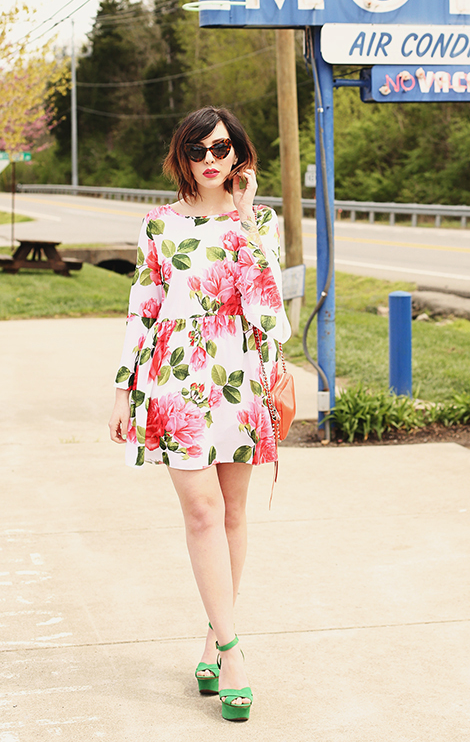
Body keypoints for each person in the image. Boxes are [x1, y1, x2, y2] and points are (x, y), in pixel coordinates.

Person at [108, 106, 290, 722]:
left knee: (235, 512)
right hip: (174, 378)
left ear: (239, 156)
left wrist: (243, 218)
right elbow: (144, 309)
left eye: (222, 148)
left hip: (238, 377)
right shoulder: (159, 225)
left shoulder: (259, 222)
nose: (211, 160)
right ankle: (234, 652)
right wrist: (122, 389)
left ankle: (214, 635)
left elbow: (271, 315)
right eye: (198, 150)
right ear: (181, 158)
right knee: (203, 512)